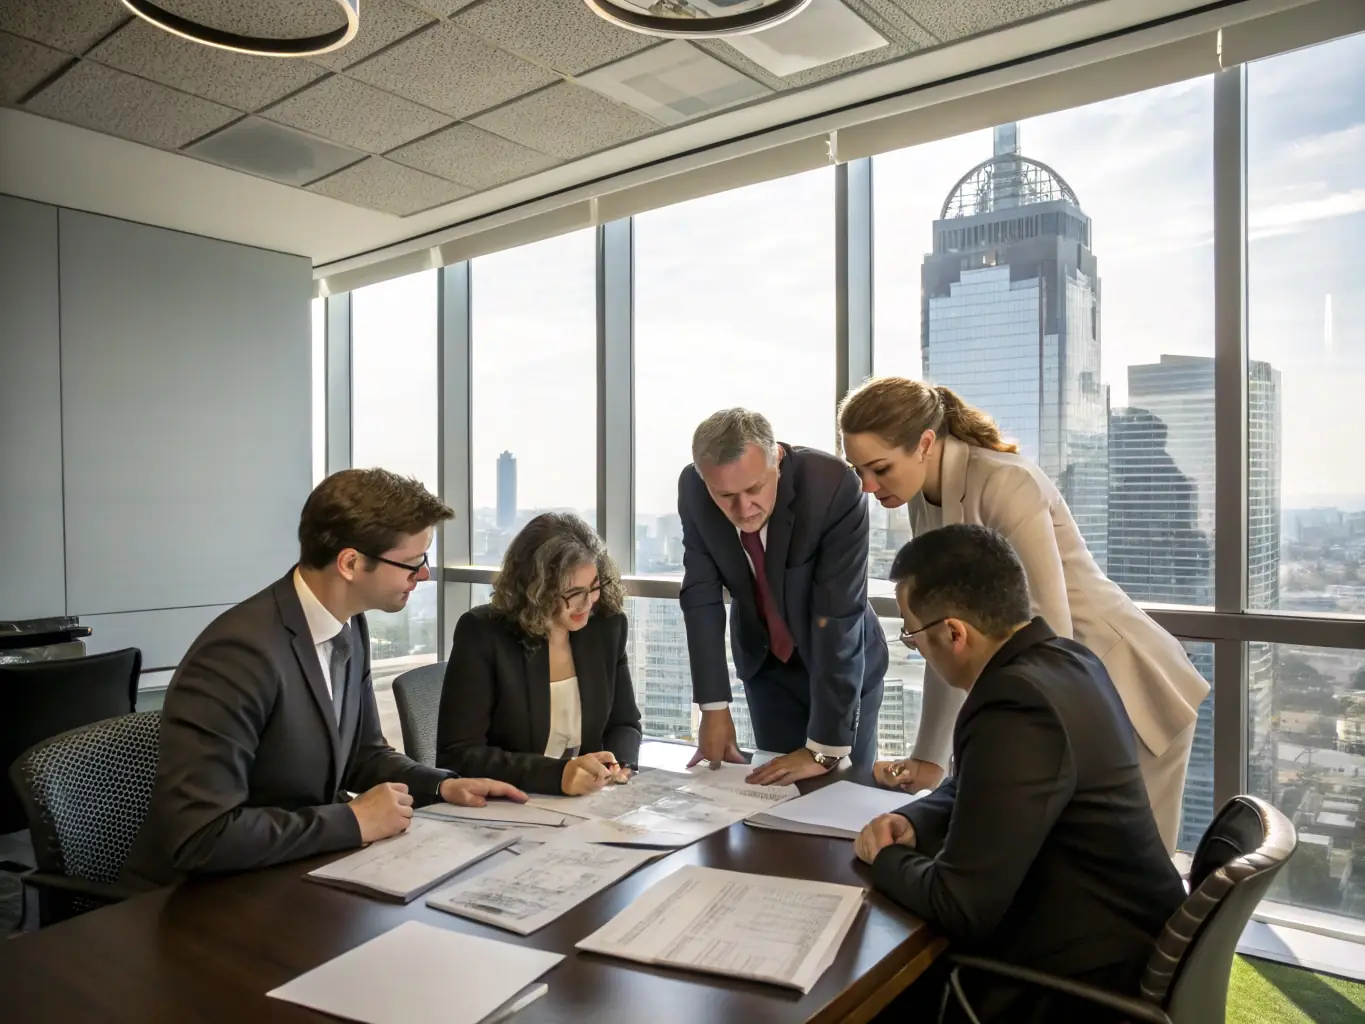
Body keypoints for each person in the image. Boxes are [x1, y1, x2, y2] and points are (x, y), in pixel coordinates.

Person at [840, 377, 1208, 852]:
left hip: (1123, 682)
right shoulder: (922, 499)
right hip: (1065, 682)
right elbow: (943, 637)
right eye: (858, 471)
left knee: (1126, 871)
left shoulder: (1003, 481)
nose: (868, 487)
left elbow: (1048, 630)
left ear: (925, 444)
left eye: (879, 468)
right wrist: (928, 757)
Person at [122, 469, 526, 887]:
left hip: (290, 875)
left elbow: (363, 755)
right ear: (351, 563)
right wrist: (351, 820)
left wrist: (443, 787)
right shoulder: (238, 655)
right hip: (198, 901)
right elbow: (203, 836)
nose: (423, 575)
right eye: (412, 563)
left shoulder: (349, 625)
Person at [855, 524, 1187, 1022]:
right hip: (1121, 941)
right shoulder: (1066, 661)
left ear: (953, 632)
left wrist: (884, 859)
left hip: (1076, 985)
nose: (915, 648)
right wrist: (916, 821)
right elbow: (985, 788)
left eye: (911, 633)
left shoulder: (1015, 707)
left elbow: (959, 905)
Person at [679, 408, 887, 784]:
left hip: (842, 661)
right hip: (767, 666)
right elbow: (701, 596)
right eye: (725, 495)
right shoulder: (693, 490)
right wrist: (713, 707)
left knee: (842, 797)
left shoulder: (832, 485)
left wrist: (824, 749)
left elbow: (838, 615)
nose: (743, 509)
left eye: (755, 489)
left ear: (777, 458)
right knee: (776, 793)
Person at [436, 513, 641, 795]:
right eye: (573, 592)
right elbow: (458, 755)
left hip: (588, 802)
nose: (588, 603)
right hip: (512, 802)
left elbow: (624, 723)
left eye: (594, 587)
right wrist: (558, 776)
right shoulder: (483, 634)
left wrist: (621, 764)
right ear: (536, 590)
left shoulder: (606, 627)